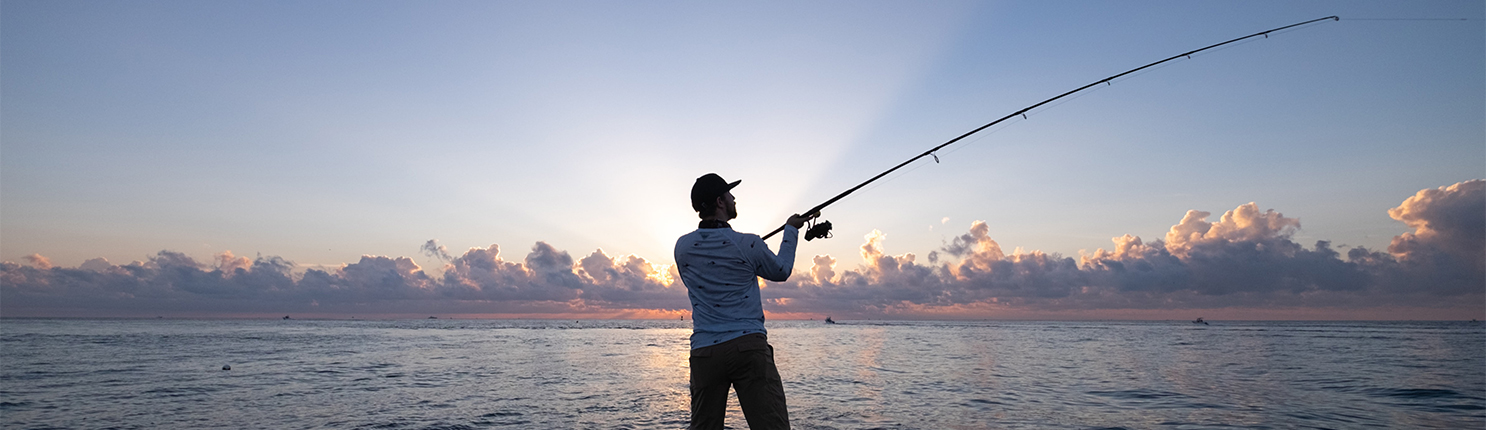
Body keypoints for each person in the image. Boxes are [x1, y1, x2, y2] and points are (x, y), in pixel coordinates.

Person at [675, 173, 811, 430]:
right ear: (719, 201)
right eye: (729, 194)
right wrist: (791, 229)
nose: (733, 197)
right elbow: (781, 271)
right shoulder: (748, 244)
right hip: (748, 347)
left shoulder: (682, 247)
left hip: (704, 352)